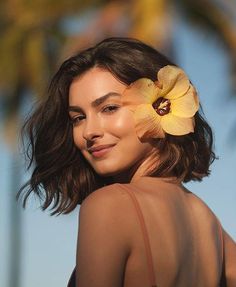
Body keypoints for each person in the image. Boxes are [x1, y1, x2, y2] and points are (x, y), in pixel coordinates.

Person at [18, 37, 236, 287]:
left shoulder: (109, 205)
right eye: (78, 118)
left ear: (160, 108)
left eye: (109, 108)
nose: (89, 131)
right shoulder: (211, 226)